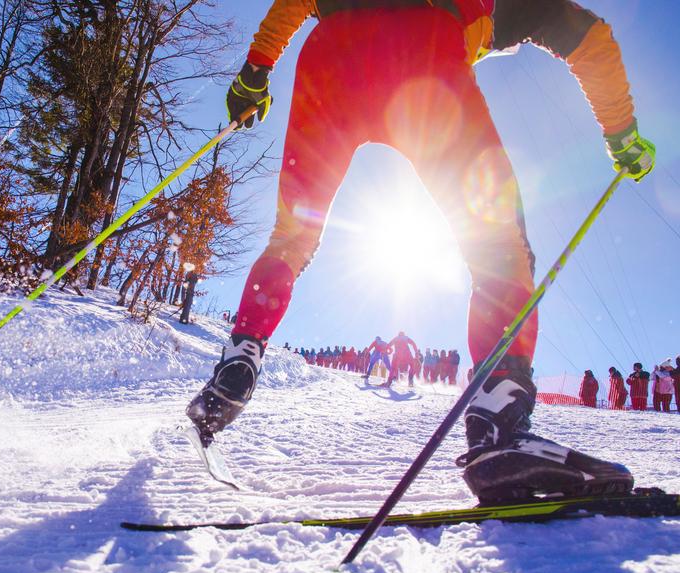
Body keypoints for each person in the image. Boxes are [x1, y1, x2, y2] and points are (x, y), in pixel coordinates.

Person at [187, 0, 654, 503]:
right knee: (497, 248)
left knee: (293, 235)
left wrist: (255, 73)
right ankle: (499, 420)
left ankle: (240, 356)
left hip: (330, 55)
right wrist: (621, 133)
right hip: (427, 58)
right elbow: (587, 36)